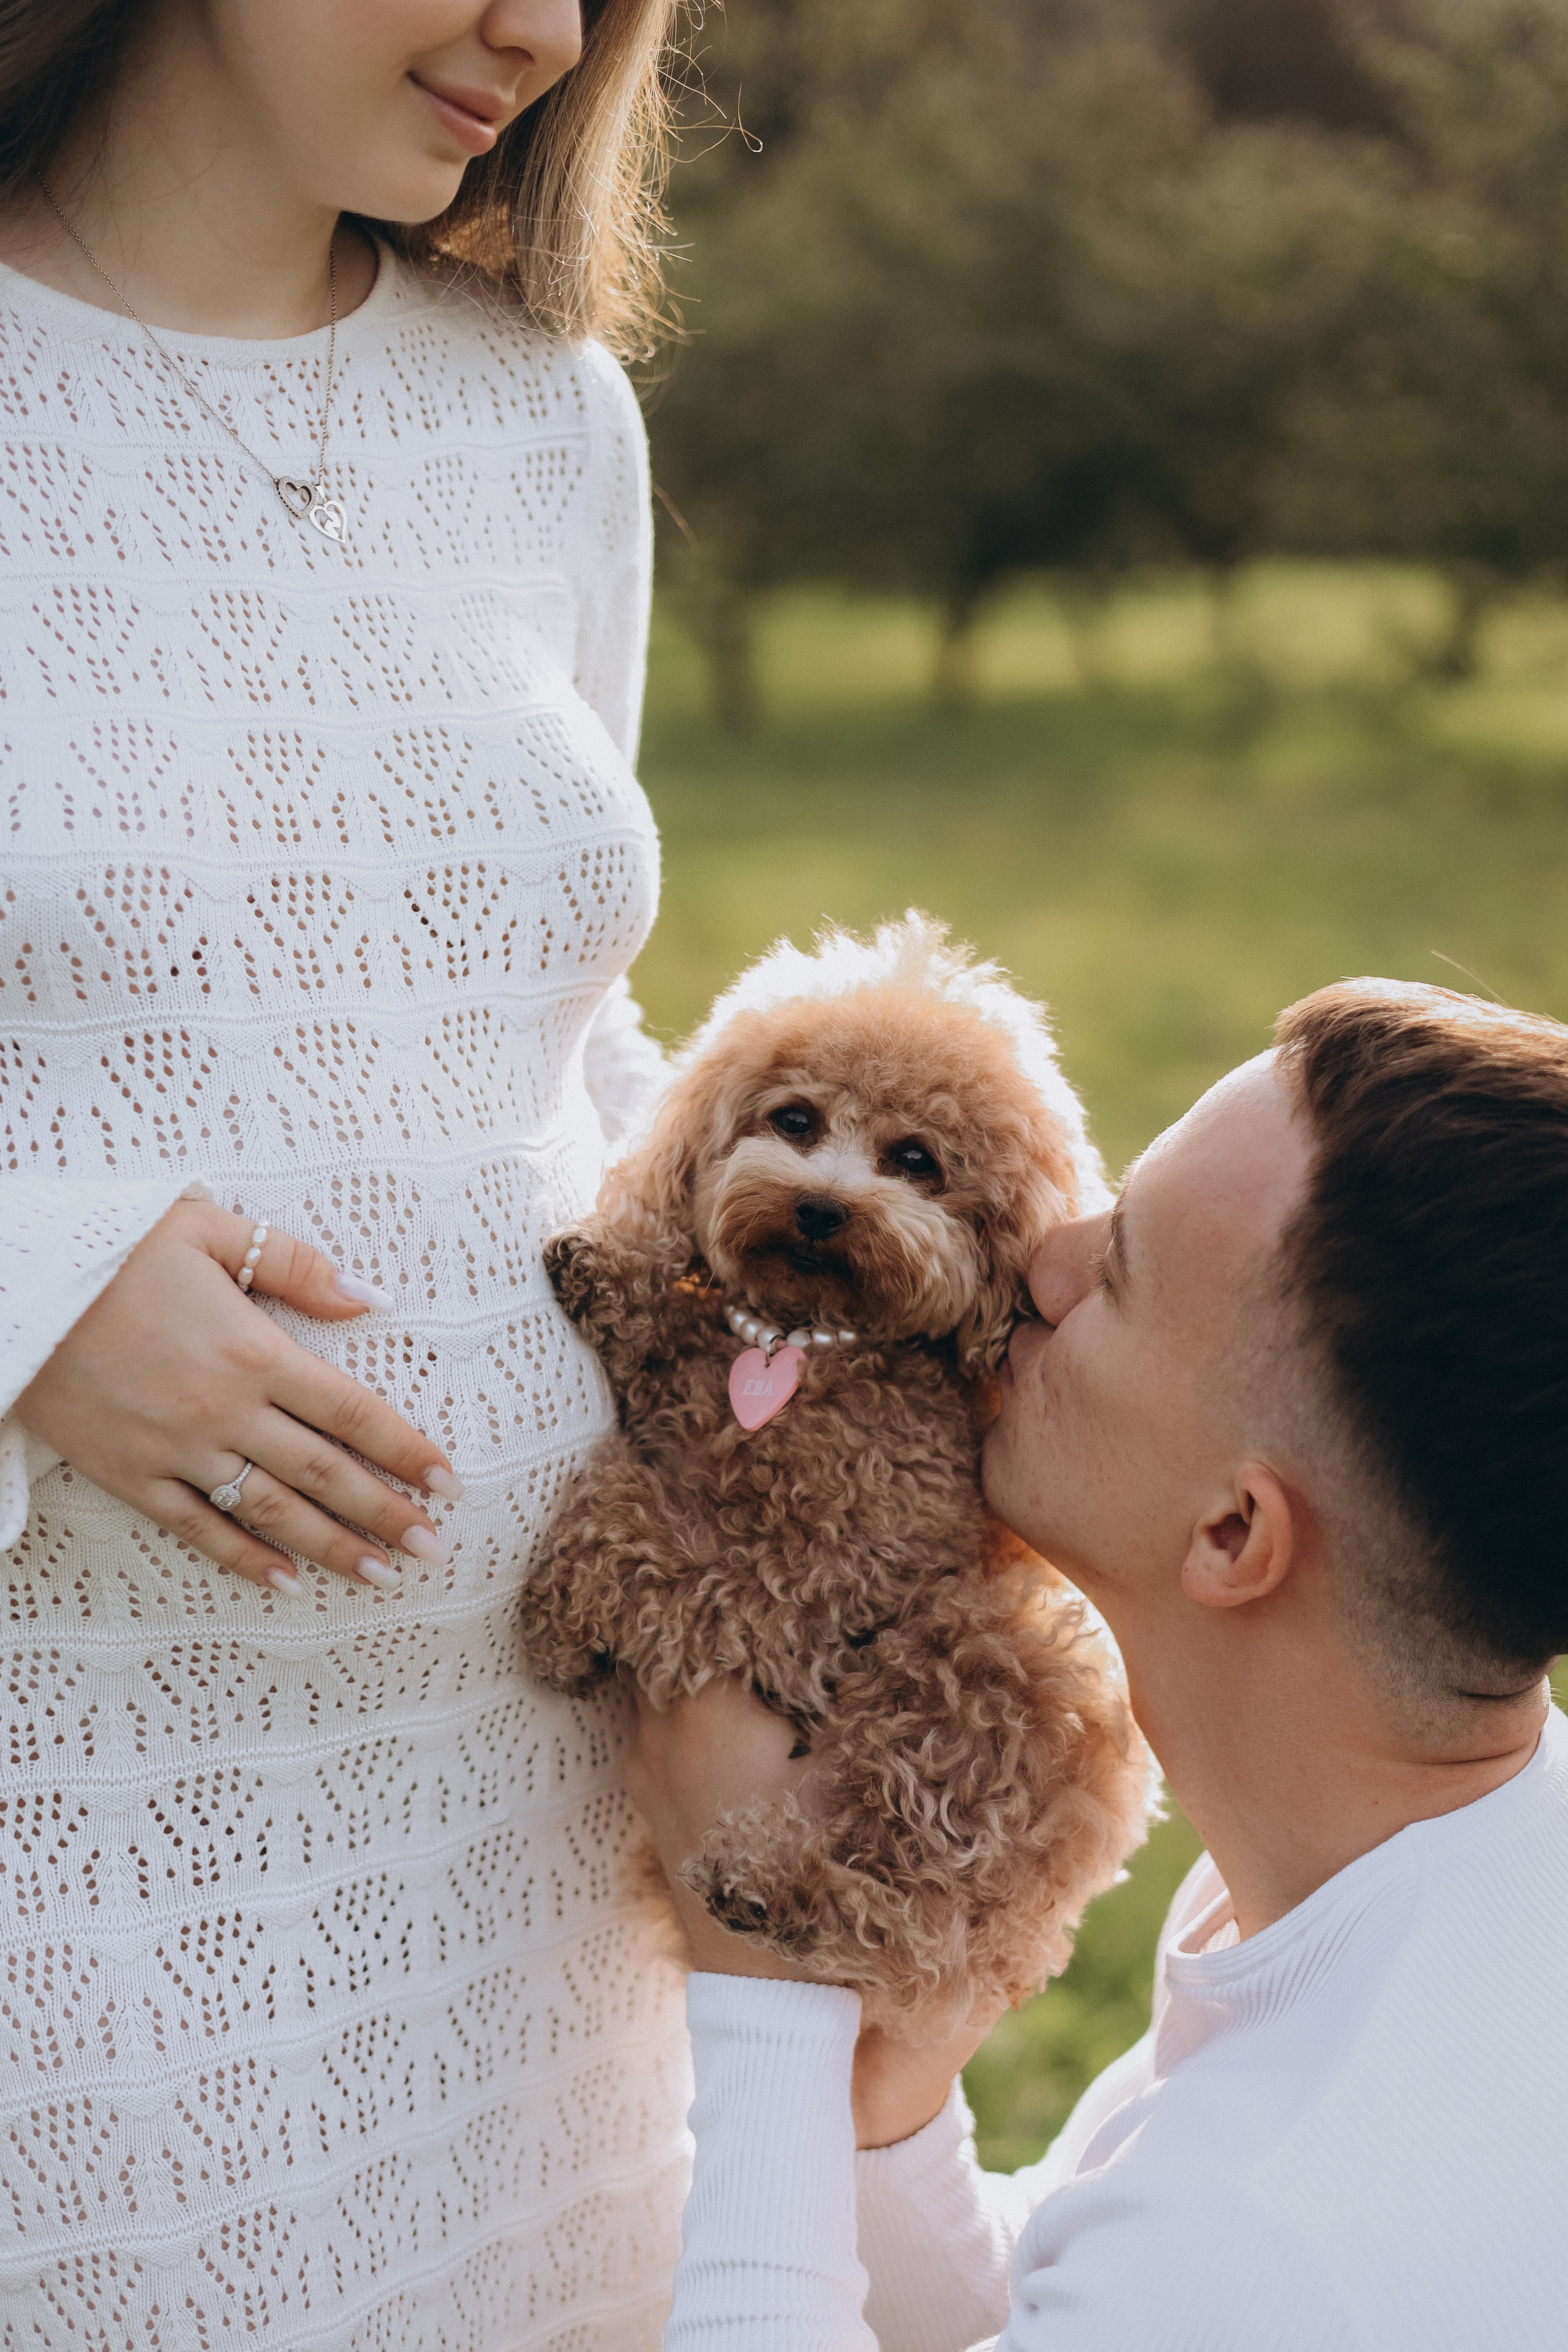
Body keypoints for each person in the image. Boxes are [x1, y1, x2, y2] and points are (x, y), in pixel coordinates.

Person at [0, 2, 693, 2343]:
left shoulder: (544, 425)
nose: (546, 29)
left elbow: (564, 1041)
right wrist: (33, 1303)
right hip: (75, 1920)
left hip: (531, 1893)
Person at [628, 976, 1568, 2351]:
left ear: (1234, 1532)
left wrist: (758, 1974)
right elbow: (1082, 2301)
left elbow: (1205, 2278)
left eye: (1116, 1267)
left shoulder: (1289, 2235)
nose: (1037, 1262)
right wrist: (883, 2122)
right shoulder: (1417, 1881)